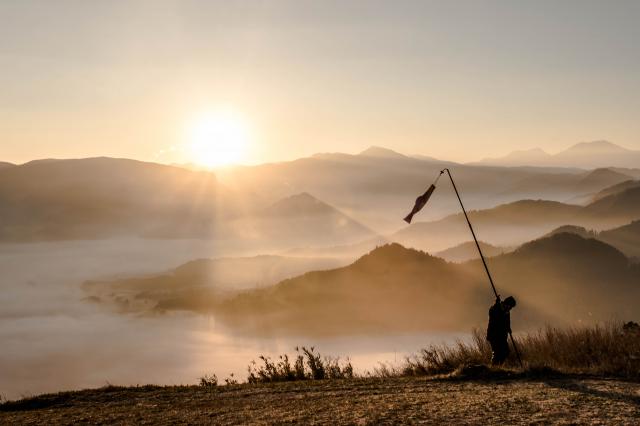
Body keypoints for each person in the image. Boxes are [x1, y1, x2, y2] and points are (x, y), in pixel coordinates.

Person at [486, 296, 516, 365]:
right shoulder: (496, 308)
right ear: (507, 304)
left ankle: (499, 366)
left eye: (511, 307)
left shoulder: (507, 311)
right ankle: (494, 367)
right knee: (496, 352)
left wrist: (509, 328)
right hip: (494, 335)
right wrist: (496, 304)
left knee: (506, 351)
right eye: (510, 306)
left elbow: (507, 322)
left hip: (502, 336)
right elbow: (492, 314)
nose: (510, 308)